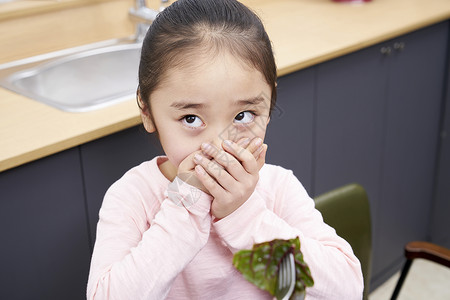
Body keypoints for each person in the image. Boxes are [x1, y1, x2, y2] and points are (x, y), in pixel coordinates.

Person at [87, 0, 364, 299]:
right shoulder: (133, 197)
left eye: (243, 116)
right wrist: (184, 204)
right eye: (191, 119)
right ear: (147, 111)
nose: (219, 146)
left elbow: (346, 288)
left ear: (268, 106)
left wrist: (246, 216)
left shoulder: (277, 189)